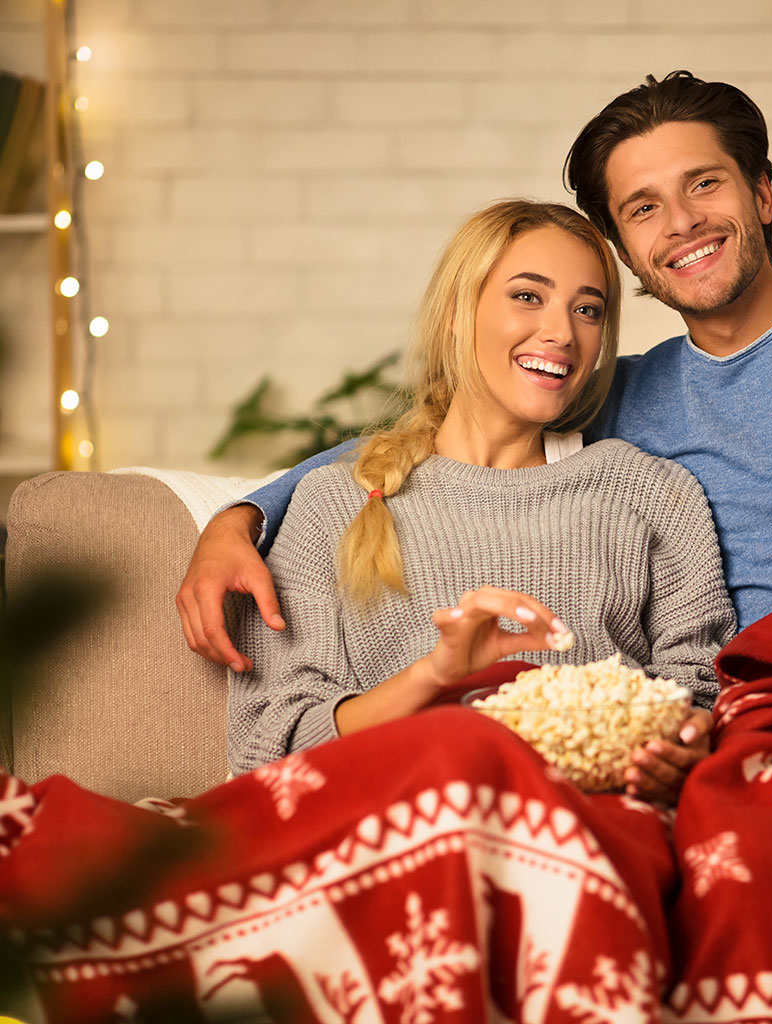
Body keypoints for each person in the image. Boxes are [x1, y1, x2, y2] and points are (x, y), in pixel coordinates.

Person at [177, 69, 772, 662]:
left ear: (761, 194)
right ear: (624, 250)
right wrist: (240, 518)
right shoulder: (631, 397)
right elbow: (432, 441)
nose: (683, 222)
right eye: (645, 208)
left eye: (706, 185)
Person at [226, 198, 736, 805]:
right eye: (527, 296)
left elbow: (699, 693)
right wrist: (436, 677)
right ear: (456, 315)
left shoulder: (652, 494)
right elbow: (269, 742)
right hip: (402, 815)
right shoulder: (334, 501)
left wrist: (680, 745)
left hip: (593, 822)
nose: (561, 332)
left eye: (588, 309)